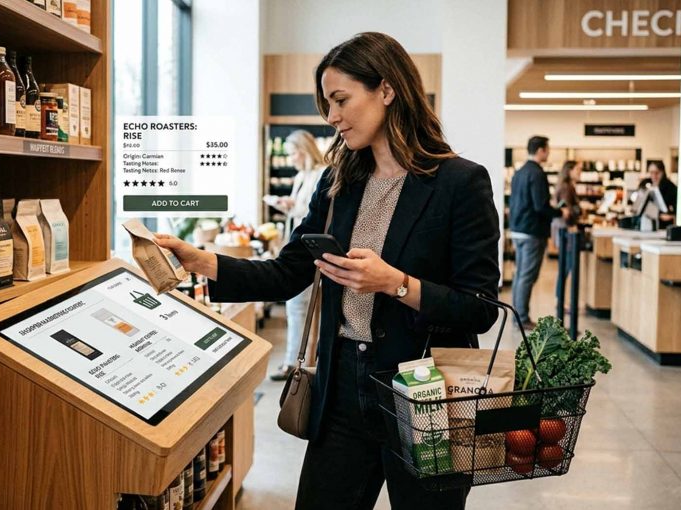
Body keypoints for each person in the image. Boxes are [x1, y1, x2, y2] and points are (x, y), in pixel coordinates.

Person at [155, 32, 499, 510]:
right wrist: (204, 261)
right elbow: (289, 271)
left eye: (340, 100)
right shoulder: (340, 183)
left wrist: (396, 284)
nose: (331, 117)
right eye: (327, 103)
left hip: (429, 394)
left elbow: (479, 307)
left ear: (387, 89)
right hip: (342, 389)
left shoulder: (460, 182)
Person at [268, 130, 326, 381]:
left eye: (292, 152)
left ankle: (300, 363)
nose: (291, 158)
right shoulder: (301, 176)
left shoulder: (321, 174)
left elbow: (316, 213)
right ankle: (295, 362)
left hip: (312, 252)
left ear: (304, 150)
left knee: (302, 307)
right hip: (299, 247)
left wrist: (293, 206)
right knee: (297, 307)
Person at [509, 136, 568, 330]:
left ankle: (517, 315)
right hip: (532, 231)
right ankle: (522, 318)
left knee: (520, 275)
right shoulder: (537, 173)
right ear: (541, 150)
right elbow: (540, 205)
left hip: (518, 229)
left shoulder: (519, 172)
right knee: (527, 275)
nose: (549, 153)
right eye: (548, 149)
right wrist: (560, 211)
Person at [550, 160, 580, 245]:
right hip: (565, 226)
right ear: (569, 171)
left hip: (561, 225)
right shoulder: (567, 187)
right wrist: (579, 210)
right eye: (577, 169)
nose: (580, 172)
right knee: (568, 254)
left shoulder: (564, 185)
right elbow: (566, 208)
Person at [647, 161, 677, 227]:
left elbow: (676, 211)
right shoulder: (650, 186)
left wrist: (672, 215)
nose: (654, 176)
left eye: (657, 173)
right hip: (652, 224)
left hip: (666, 226)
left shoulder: (671, 188)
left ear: (662, 172)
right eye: (651, 173)